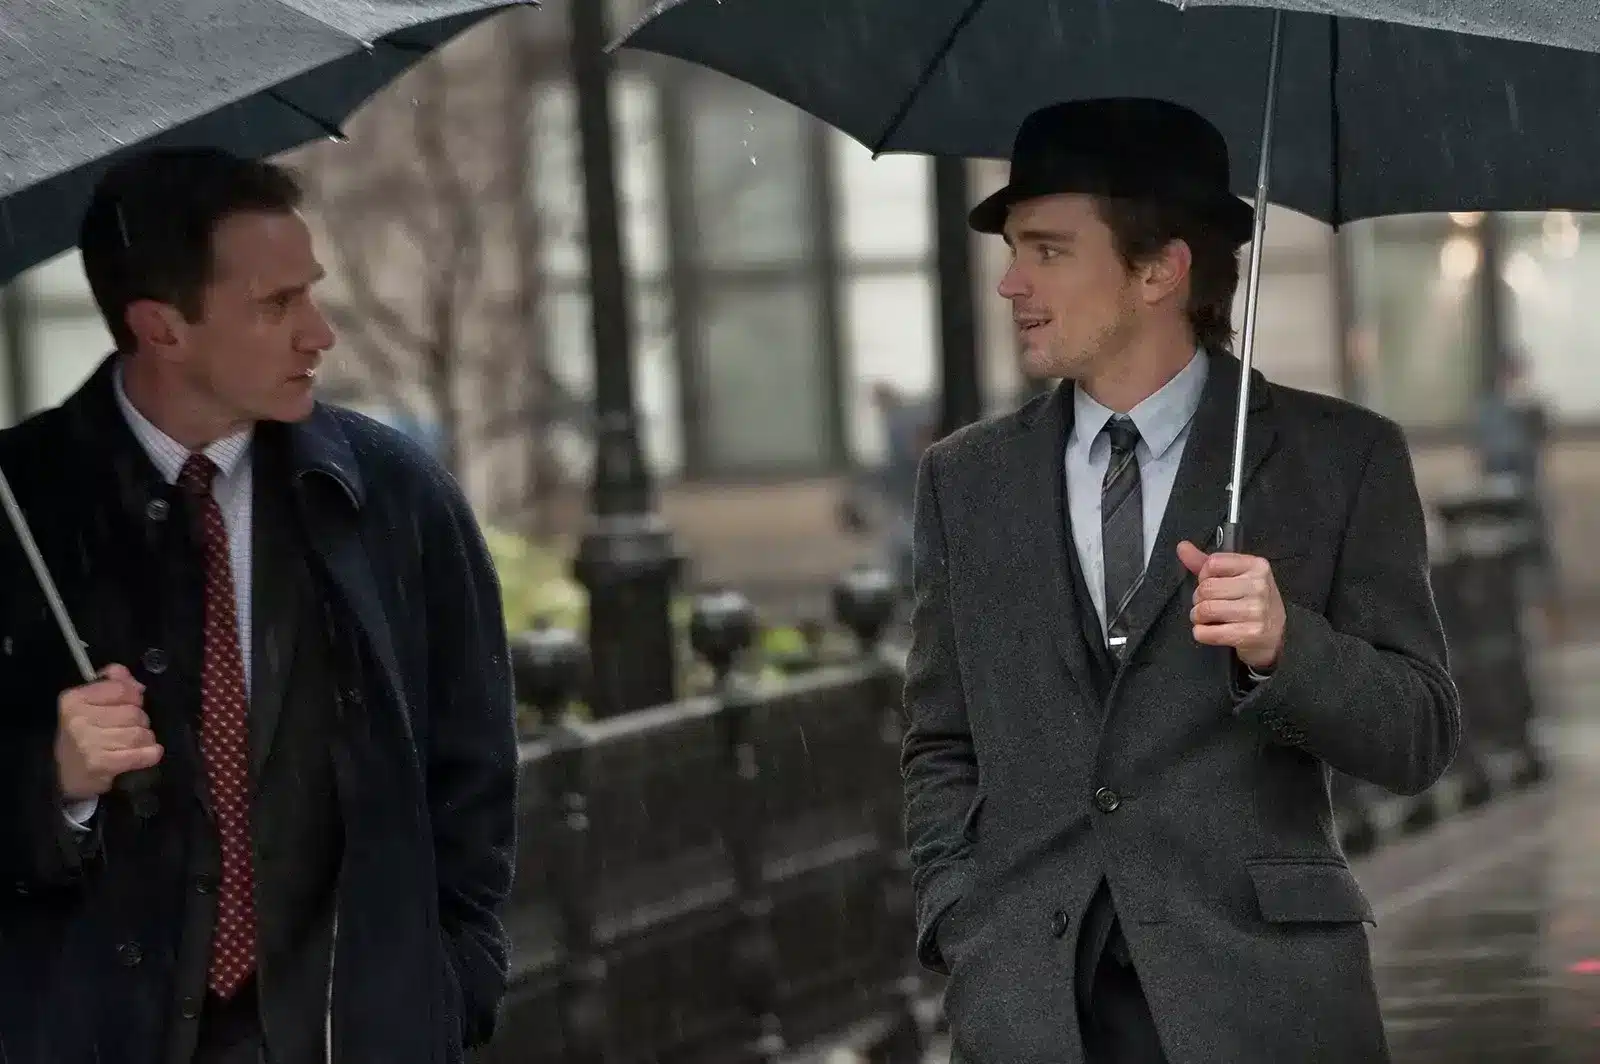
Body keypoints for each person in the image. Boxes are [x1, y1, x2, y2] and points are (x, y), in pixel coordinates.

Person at [901, 99, 1460, 1064]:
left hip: (1262, 1005)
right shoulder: (966, 481)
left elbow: (1419, 736)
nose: (1011, 283)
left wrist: (1287, 649)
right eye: (1014, 251)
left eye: (1048, 251)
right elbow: (940, 740)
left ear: (1160, 270)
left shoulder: (1341, 460)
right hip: (1033, 1013)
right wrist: (961, 918)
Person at [0, 147, 518, 1064]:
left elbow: (473, 770)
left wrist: (450, 991)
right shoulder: (19, 508)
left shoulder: (395, 496)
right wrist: (54, 781)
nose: (320, 333)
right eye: (276, 306)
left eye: (310, 293)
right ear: (162, 327)